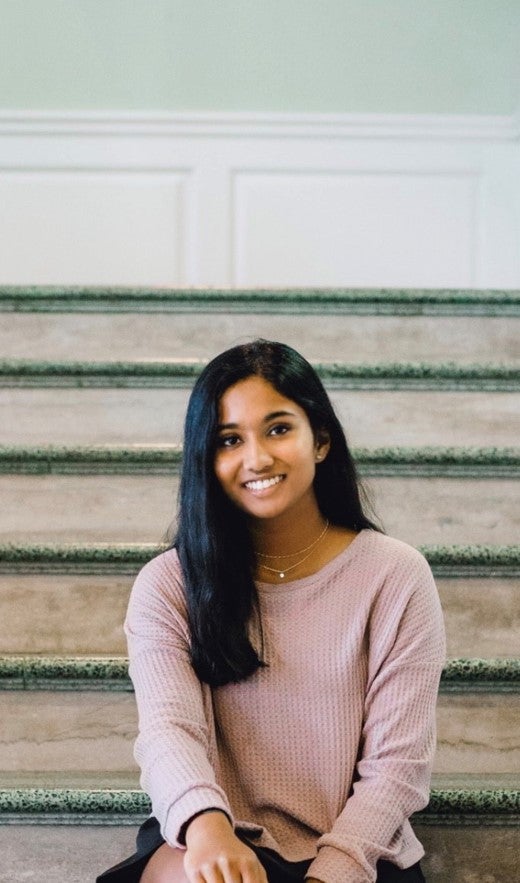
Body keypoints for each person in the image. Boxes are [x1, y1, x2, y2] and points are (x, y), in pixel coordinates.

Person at [97, 340, 445, 883]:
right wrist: (208, 828)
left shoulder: (394, 575)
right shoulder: (169, 584)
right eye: (229, 440)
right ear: (206, 459)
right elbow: (170, 734)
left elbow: (396, 768)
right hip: (217, 836)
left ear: (321, 439)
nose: (256, 458)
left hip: (359, 853)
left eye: (279, 429)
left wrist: (332, 871)